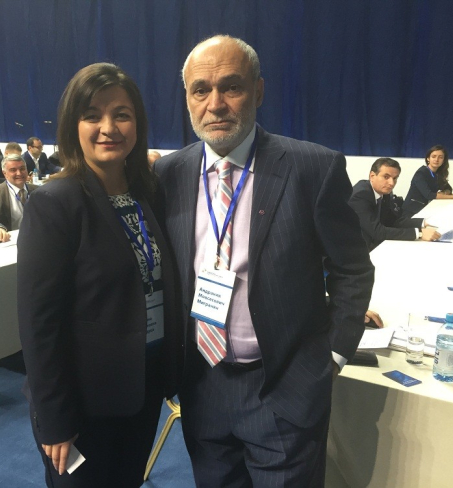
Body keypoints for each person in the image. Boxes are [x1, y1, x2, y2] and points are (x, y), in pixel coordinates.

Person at [154, 35, 374, 486]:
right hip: (203, 384)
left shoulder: (313, 167)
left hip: (285, 386)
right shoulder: (168, 174)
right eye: (200, 90)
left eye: (231, 87)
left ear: (258, 91)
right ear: (187, 98)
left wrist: (332, 356)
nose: (215, 104)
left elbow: (352, 268)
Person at [18, 62, 182, 488]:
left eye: (121, 114)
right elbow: (38, 324)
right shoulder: (55, 203)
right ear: (73, 126)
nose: (108, 127)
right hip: (84, 402)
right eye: (92, 115)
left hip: (141, 387)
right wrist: (54, 418)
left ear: (137, 124)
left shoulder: (147, 194)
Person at [350, 157, 441, 250]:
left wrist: (424, 222)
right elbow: (377, 231)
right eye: (386, 177)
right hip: (354, 249)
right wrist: (419, 234)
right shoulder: (360, 195)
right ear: (372, 176)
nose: (391, 183)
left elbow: (392, 221)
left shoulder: (384, 192)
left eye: (395, 178)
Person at [403, 145, 453, 216]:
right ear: (428, 159)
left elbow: (449, 188)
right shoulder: (421, 173)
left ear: (443, 160)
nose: (436, 160)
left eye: (440, 157)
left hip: (426, 209)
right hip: (411, 211)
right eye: (433, 156)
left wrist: (443, 193)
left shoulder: (438, 174)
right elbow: (429, 195)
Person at [0, 154, 37, 231]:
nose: (19, 173)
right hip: (8, 236)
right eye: (13, 170)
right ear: (5, 173)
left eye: (22, 169)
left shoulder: (37, 191)